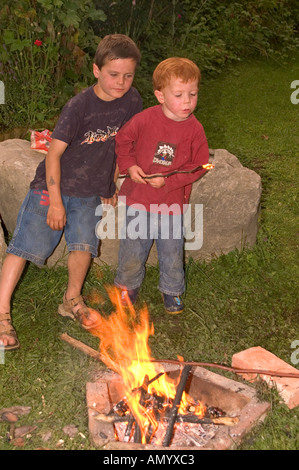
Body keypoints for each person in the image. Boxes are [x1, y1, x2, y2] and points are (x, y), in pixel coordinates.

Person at [0, 34, 142, 350]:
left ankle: (71, 301)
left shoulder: (132, 101)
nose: (121, 82)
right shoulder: (79, 107)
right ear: (96, 70)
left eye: (128, 75)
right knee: (23, 247)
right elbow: (52, 155)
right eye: (113, 74)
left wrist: (111, 182)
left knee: (84, 245)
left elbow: (123, 144)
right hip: (54, 186)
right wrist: (55, 202)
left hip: (90, 190)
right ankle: (2, 314)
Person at [114, 57, 209, 314]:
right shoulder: (145, 120)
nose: (188, 101)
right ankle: (127, 287)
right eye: (179, 95)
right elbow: (123, 140)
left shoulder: (195, 129)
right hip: (138, 200)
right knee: (133, 247)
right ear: (160, 95)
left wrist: (169, 181)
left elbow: (200, 166)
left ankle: (172, 290)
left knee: (171, 250)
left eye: (193, 94)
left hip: (171, 204)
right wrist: (130, 166)